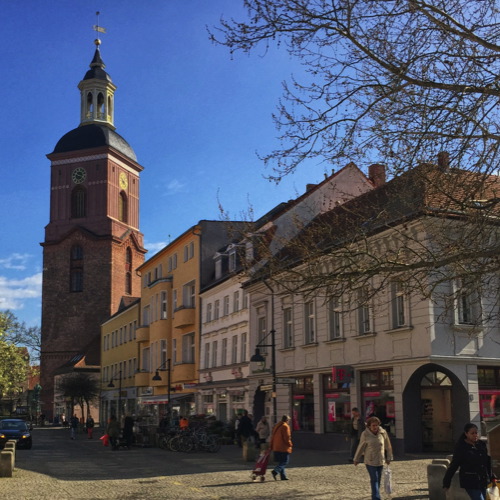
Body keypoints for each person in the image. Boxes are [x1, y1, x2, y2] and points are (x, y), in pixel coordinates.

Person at [443, 423, 494, 500]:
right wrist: (446, 482)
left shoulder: (481, 444)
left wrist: (491, 476)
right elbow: (454, 465)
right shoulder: (461, 447)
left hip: (483, 480)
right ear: (466, 434)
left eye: (476, 433)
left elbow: (487, 462)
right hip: (470, 481)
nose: (475, 435)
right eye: (472, 433)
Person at [354, 416, 393, 500]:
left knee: (378, 479)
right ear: (369, 426)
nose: (375, 427)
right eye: (373, 425)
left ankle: (375, 494)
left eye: (376, 425)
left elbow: (388, 446)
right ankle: (376, 497)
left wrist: (389, 457)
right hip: (370, 461)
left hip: (381, 460)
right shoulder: (365, 434)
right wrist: (356, 459)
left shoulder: (383, 432)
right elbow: (361, 447)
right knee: (374, 479)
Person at [269, 415, 293, 481]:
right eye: (289, 421)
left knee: (281, 461)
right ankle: (275, 471)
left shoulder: (277, 425)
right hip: (283, 447)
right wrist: (290, 444)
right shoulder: (285, 426)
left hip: (276, 446)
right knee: (285, 461)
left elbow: (273, 435)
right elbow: (287, 438)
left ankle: (283, 476)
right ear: (287, 420)